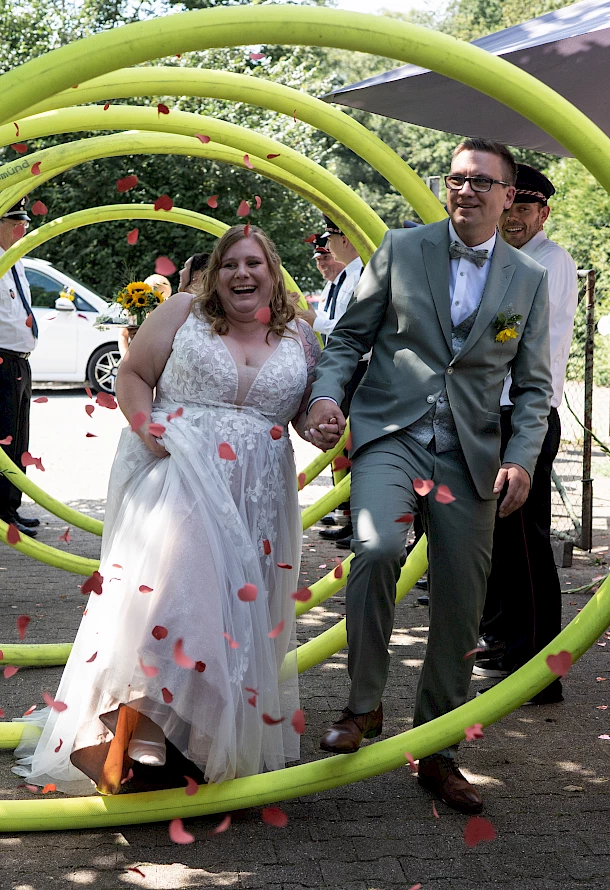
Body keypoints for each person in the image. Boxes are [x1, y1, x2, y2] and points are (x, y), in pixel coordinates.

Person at [14, 224, 320, 795]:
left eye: (253, 263)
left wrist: (320, 423)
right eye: (230, 264)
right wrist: (146, 424)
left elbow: (302, 411)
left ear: (274, 273)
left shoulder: (300, 338)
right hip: (183, 469)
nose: (241, 274)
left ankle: (190, 742)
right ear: (215, 274)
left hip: (257, 496)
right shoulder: (183, 312)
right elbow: (132, 375)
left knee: (231, 615)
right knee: (181, 591)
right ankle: (140, 720)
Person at [306, 138, 553, 815]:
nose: (467, 190)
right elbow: (350, 338)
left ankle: (438, 748)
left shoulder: (527, 280)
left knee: (460, 600)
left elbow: (534, 388)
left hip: (473, 453)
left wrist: (520, 460)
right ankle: (363, 705)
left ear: (509, 197)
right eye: (457, 178)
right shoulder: (400, 249)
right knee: (377, 547)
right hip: (392, 433)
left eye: (483, 182)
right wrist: (327, 395)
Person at [474, 165, 578, 704]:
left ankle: (539, 665)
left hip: (527, 414)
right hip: (499, 410)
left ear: (543, 212)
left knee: (526, 542)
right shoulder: (508, 258)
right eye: (507, 205)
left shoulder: (550, 262)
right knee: (502, 541)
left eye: (523, 209)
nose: (512, 217)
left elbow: (514, 336)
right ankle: (510, 639)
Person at [313, 218, 365, 548]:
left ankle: (360, 523)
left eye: (330, 236)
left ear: (344, 237)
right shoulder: (347, 274)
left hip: (359, 370)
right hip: (345, 369)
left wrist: (312, 319)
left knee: (355, 446)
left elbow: (350, 328)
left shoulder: (363, 274)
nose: (327, 246)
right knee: (343, 448)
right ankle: (350, 518)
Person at [0, 197, 40, 538]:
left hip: (20, 361)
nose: (23, 228)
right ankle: (2, 512)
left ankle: (11, 507)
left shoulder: (16, 263)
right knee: (5, 437)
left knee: (19, 440)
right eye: (16, 223)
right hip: (2, 359)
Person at [297, 234, 346, 339]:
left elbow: (351, 328)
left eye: (326, 257)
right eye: (318, 259)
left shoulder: (352, 282)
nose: (321, 264)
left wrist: (316, 322)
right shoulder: (329, 288)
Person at [118, 274, 173, 358]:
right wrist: (125, 358)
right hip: (135, 358)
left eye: (165, 299)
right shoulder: (135, 311)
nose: (159, 304)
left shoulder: (169, 315)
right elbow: (123, 335)